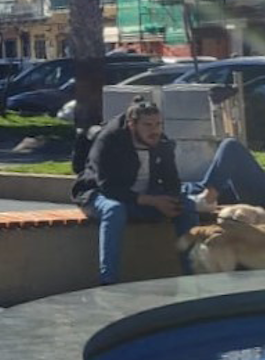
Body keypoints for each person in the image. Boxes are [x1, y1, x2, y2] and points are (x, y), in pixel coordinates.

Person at [72, 97, 200, 284]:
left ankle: (193, 277)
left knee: (187, 207)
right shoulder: (110, 140)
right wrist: (154, 201)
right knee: (114, 210)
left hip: (144, 196)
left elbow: (172, 181)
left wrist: (170, 199)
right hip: (98, 194)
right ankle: (108, 281)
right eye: (148, 125)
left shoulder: (161, 142)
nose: (155, 130)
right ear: (132, 125)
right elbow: (108, 187)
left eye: (158, 124)